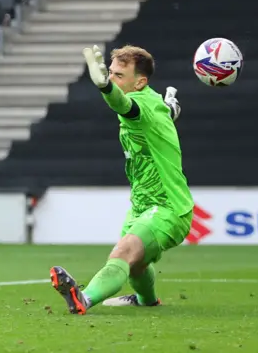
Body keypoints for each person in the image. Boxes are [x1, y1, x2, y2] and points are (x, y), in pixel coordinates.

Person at [49, 45, 192, 315]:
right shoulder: (153, 103)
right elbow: (157, 114)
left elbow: (123, 104)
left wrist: (105, 87)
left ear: (140, 82)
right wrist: (170, 109)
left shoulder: (140, 105)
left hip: (168, 207)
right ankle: (146, 299)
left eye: (118, 75)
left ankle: (83, 298)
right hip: (141, 205)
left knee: (123, 252)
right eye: (109, 73)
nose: (112, 77)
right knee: (136, 264)